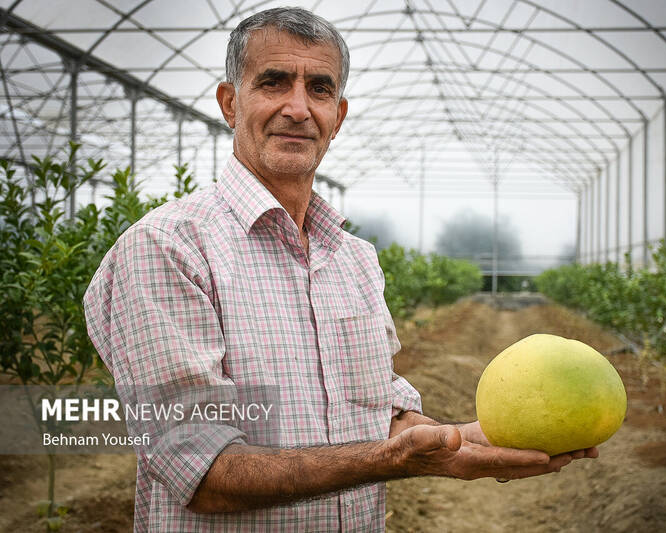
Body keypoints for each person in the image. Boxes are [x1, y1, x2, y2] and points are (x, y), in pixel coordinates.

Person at [83, 7, 597, 532]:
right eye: (274, 82)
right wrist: (396, 460)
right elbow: (203, 472)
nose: (298, 108)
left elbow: (375, 406)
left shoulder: (354, 259)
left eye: (320, 89)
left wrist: (462, 436)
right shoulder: (167, 249)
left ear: (340, 115)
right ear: (229, 102)